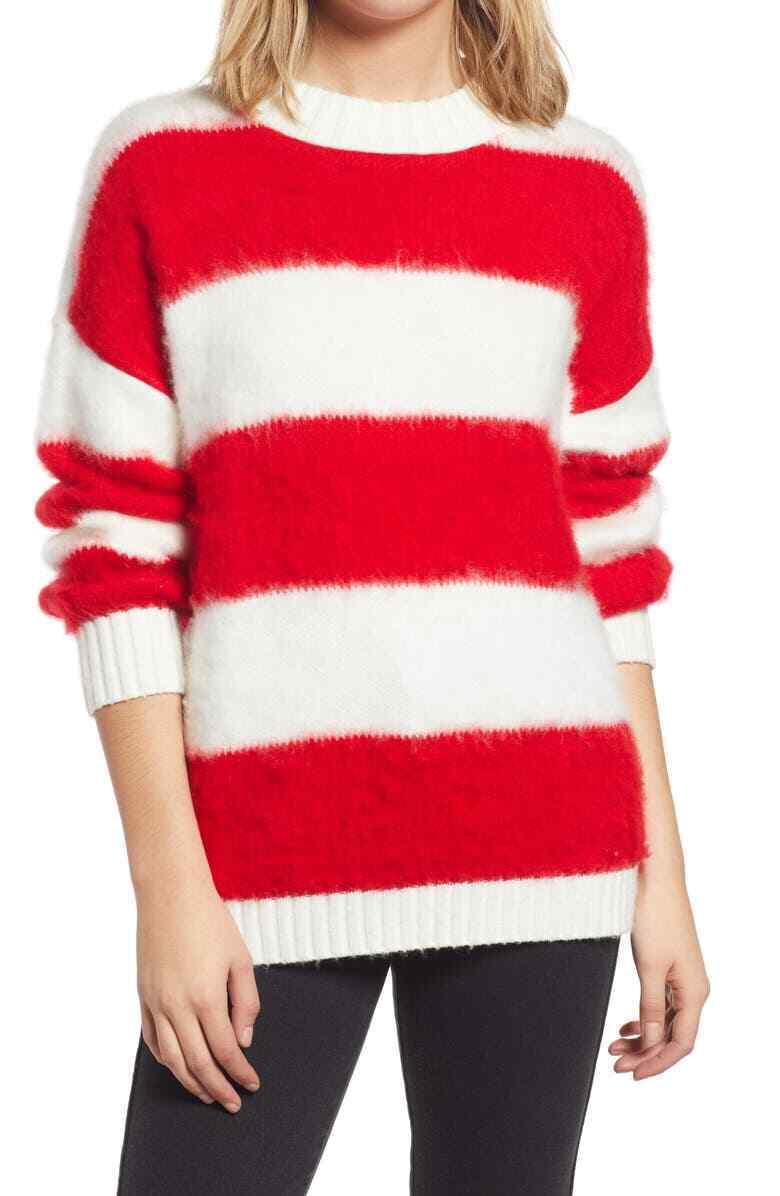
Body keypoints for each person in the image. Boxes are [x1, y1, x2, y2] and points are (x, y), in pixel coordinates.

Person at [35, 0, 709, 1191]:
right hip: (254, 856)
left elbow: (608, 556)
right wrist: (166, 882)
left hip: (540, 848)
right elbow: (117, 541)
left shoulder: (586, 185)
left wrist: (664, 874)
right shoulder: (160, 165)